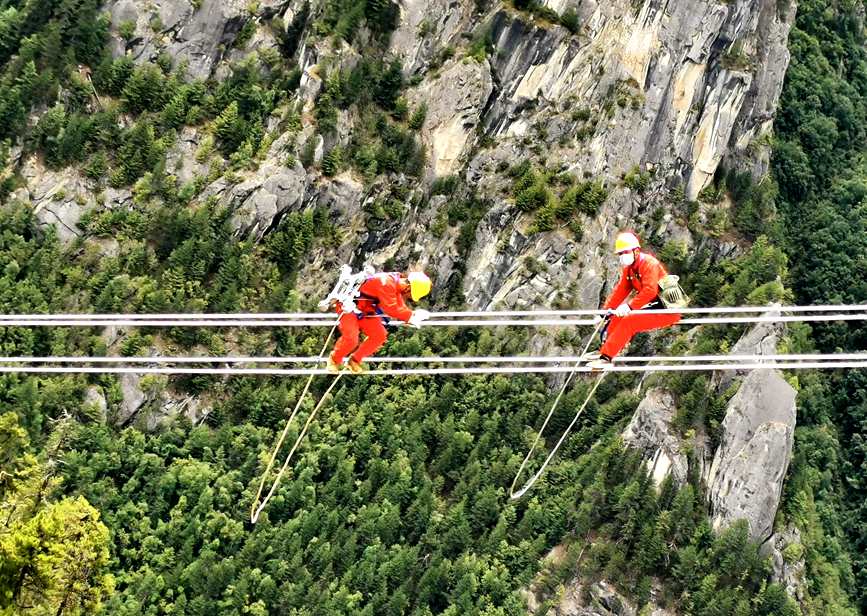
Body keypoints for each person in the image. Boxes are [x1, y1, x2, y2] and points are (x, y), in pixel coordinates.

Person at [585, 232, 681, 370]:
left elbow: (650, 290)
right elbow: (620, 291)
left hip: (668, 310)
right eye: (620, 253)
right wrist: (604, 313)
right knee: (616, 317)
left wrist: (629, 307)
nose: (622, 256)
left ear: (636, 251)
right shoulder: (630, 270)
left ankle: (606, 358)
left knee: (630, 321)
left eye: (625, 252)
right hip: (655, 305)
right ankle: (604, 350)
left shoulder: (650, 264)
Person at [327, 270, 432, 374]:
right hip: (348, 306)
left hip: (365, 309)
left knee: (379, 336)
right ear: (408, 288)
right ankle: (334, 360)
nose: (409, 297)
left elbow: (400, 305)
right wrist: (410, 317)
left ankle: (354, 360)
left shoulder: (395, 284)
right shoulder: (387, 283)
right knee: (351, 339)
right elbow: (391, 308)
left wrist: (412, 315)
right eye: (410, 294)